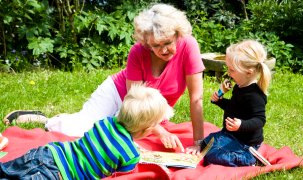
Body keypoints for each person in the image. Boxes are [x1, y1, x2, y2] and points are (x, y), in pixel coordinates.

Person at [4, 3, 205, 153]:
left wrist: (197, 143)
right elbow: (133, 102)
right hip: (123, 96)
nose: (163, 50)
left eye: (168, 43)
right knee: (84, 132)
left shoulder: (189, 46)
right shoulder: (137, 52)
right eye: (156, 46)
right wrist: (159, 131)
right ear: (146, 43)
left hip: (152, 107)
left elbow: (196, 98)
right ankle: (47, 120)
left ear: (178, 35)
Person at [0, 84, 174, 179]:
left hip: (46, 153)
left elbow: (111, 140)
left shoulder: (107, 121)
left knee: (5, 170)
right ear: (148, 130)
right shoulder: (130, 156)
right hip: (56, 175)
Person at [200, 39, 272, 167]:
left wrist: (241, 125)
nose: (228, 72)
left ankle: (250, 159)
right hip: (230, 135)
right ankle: (234, 153)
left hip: (245, 143)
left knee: (213, 156)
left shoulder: (255, 96)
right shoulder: (239, 86)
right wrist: (219, 101)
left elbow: (260, 120)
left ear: (248, 72)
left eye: (232, 70)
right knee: (205, 143)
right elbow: (235, 108)